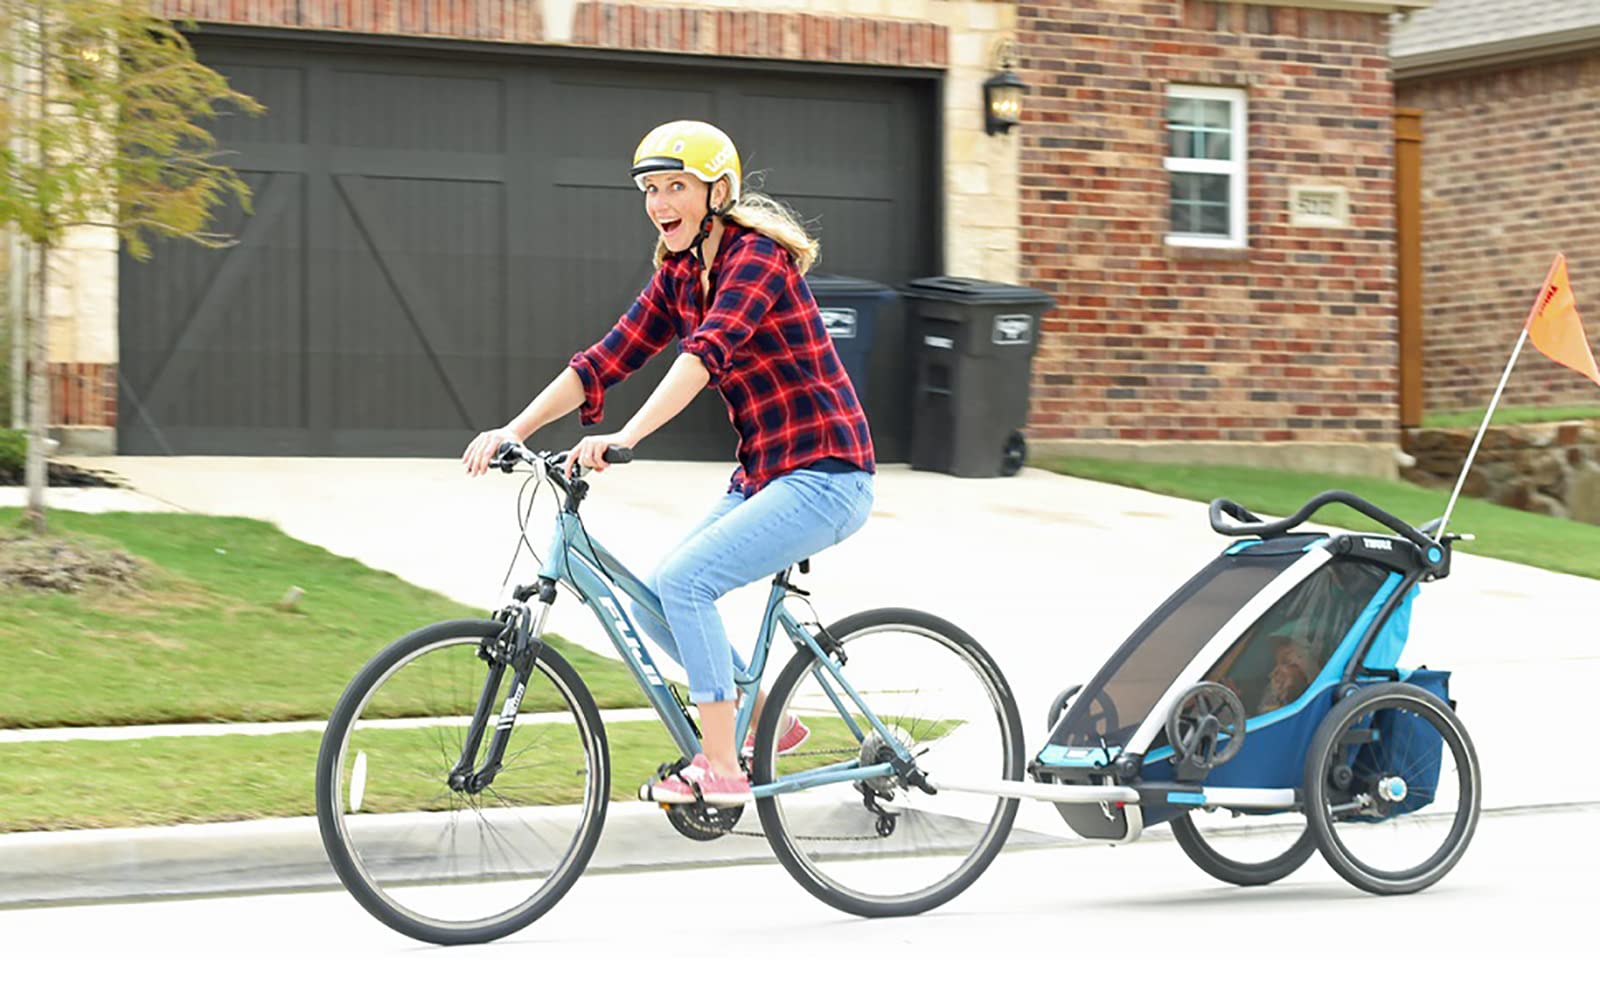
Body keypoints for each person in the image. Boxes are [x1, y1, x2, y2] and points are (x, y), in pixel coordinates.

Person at [461, 120, 875, 805]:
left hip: (828, 473)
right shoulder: (681, 274)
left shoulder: (757, 260)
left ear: (718, 190)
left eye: (675, 186)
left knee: (685, 582)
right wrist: (514, 428)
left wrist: (627, 436)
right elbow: (605, 357)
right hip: (764, 474)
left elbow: (704, 355)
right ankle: (769, 716)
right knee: (658, 595)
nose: (660, 202)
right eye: (651, 189)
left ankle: (722, 768)